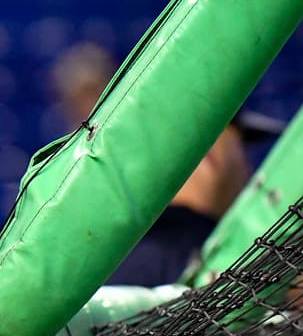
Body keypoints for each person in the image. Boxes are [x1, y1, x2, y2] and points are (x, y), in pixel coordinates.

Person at [108, 110, 283, 287]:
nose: (249, 169)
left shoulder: (116, 246)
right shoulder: (210, 245)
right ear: (206, 152)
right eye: (242, 147)